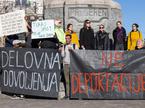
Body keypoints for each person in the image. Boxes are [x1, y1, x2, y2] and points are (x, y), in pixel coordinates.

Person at [59, 34, 78, 99]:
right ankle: (67, 95)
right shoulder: (64, 46)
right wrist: (61, 50)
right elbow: (62, 56)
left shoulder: (74, 45)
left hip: (73, 65)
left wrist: (72, 50)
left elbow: (77, 55)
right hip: (65, 64)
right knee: (67, 81)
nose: (66, 40)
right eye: (66, 38)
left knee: (73, 80)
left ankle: (74, 95)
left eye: (68, 38)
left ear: (70, 39)